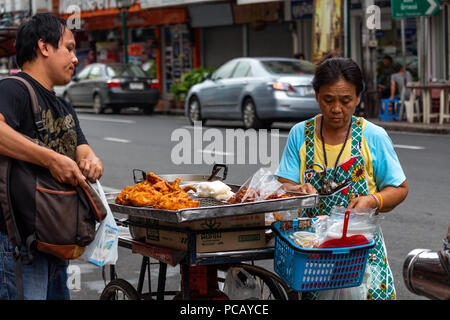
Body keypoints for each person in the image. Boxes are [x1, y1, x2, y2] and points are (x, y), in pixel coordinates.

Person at [276, 56, 408, 300]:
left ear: (358, 97)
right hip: (313, 256)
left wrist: (373, 201)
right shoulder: (300, 134)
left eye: (346, 101)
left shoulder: (373, 136)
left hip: (362, 255)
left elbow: (399, 188)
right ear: (316, 95)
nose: (336, 109)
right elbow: (284, 184)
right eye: (328, 100)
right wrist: (296, 189)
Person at [0, 13, 103, 300]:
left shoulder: (63, 106)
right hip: (18, 246)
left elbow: (82, 148)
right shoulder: (13, 89)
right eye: (69, 48)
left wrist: (91, 162)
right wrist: (51, 159)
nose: (75, 58)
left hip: (55, 243)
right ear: (44, 47)